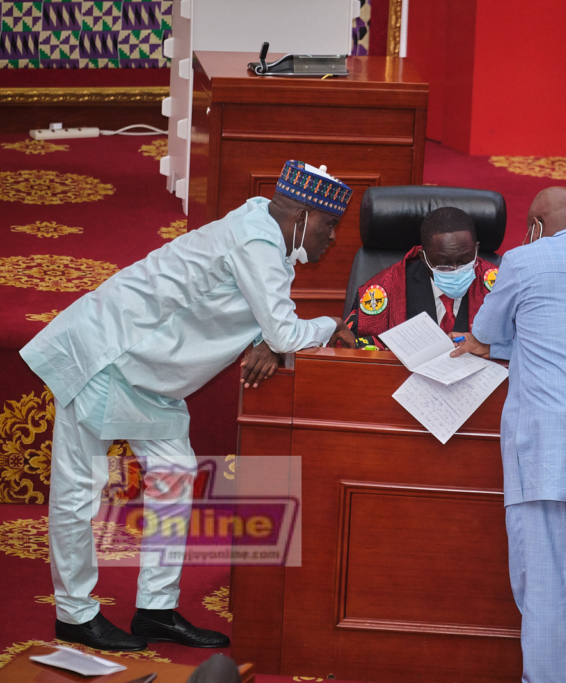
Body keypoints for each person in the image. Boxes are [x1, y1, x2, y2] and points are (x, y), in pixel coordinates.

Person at [19, 160, 356, 651]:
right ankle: (74, 613)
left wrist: (270, 336)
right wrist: (327, 326)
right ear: (303, 214)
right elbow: (286, 329)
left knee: (174, 478)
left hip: (151, 374)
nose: (333, 237)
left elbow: (267, 318)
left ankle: (155, 609)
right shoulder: (257, 241)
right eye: (331, 224)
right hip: (108, 354)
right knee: (79, 490)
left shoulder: (266, 228)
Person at [452, 187, 566, 683]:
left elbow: (486, 330)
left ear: (535, 223)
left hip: (549, 438)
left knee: (542, 580)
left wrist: (479, 343)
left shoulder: (525, 260)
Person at [345, 206, 498, 348]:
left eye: (464, 261)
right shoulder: (386, 288)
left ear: (476, 249)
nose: (456, 270)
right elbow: (351, 346)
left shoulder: (501, 284)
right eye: (444, 265)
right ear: (424, 258)